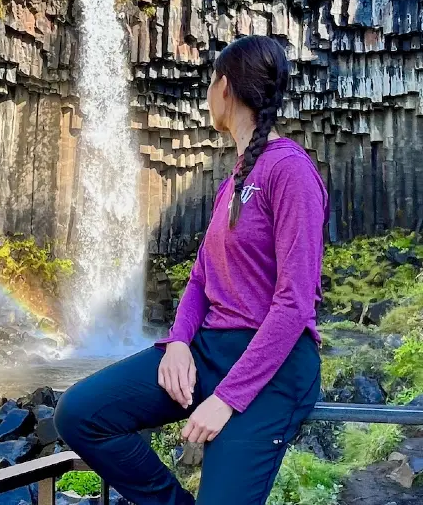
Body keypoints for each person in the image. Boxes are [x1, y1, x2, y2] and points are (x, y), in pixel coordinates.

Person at [54, 35, 328, 505]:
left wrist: (226, 399)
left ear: (225, 88)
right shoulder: (234, 181)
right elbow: (201, 279)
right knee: (81, 413)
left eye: (209, 84)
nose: (206, 95)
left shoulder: (291, 172)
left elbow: (295, 302)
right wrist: (178, 343)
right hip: (208, 351)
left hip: (271, 368)